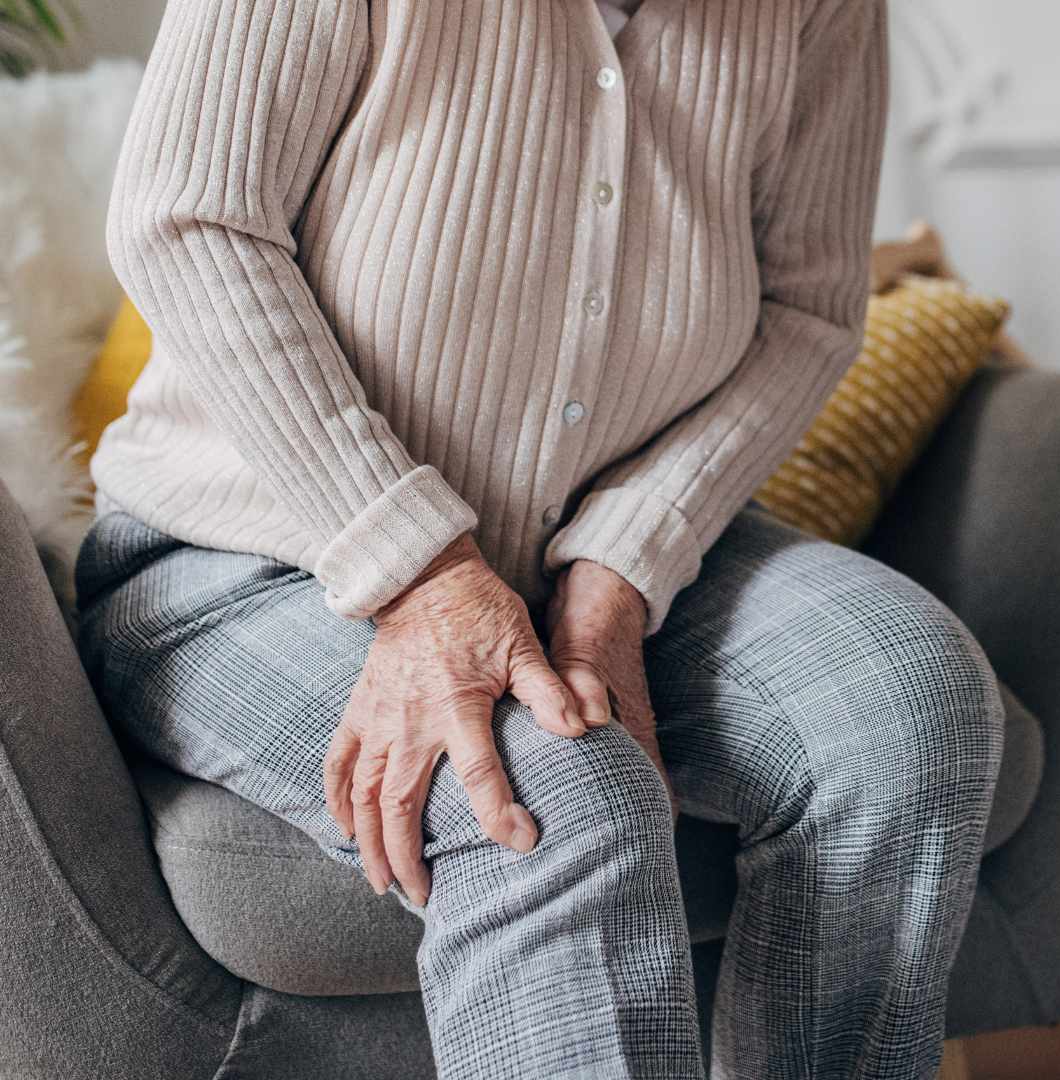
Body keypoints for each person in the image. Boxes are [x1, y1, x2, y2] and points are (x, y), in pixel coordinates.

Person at [75, 1, 1005, 1077]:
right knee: (549, 799)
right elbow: (186, 221)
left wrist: (626, 563)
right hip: (247, 555)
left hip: (613, 532)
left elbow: (810, 309)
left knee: (907, 700)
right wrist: (421, 570)